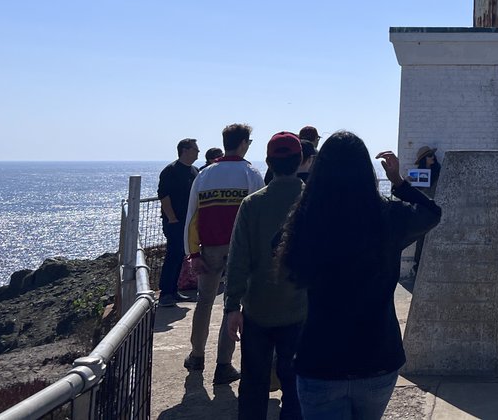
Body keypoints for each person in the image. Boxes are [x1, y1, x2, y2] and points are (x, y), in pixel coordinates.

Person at [279, 132, 441, 419]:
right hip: (377, 356)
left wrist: (311, 195)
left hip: (320, 358)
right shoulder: (388, 217)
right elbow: (432, 213)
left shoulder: (308, 219)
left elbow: (281, 255)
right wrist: (399, 183)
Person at [224, 132, 307, 420]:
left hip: (257, 309)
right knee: (295, 385)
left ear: (269, 161)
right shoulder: (313, 200)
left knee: (253, 384)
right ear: (301, 160)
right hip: (301, 309)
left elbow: (238, 260)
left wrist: (232, 306)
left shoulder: (252, 204)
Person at [183, 123, 264, 384]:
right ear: (243, 143)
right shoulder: (251, 174)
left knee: (204, 302)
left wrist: (192, 253)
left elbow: (192, 218)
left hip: (209, 249)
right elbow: (258, 219)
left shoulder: (205, 175)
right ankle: (223, 364)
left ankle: (196, 355)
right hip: (241, 251)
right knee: (233, 305)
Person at [158, 138, 199, 307]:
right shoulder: (171, 171)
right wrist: (172, 218)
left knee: (180, 255)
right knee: (173, 255)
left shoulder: (194, 171)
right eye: (195, 149)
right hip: (175, 222)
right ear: (185, 150)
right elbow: (164, 195)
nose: (198, 152)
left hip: (188, 222)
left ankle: (173, 291)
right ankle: (165, 292)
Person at [410, 145, 440, 277]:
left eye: (432, 155)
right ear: (424, 160)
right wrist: (409, 182)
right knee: (421, 237)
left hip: (435, 207)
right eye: (429, 156)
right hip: (423, 208)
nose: (432, 157)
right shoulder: (418, 174)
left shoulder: (438, 171)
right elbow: (416, 193)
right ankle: (417, 267)